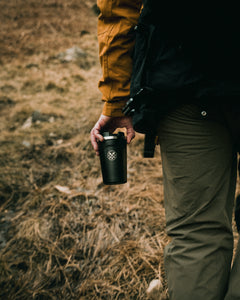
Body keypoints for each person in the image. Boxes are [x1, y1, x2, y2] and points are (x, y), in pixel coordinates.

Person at [90, 1, 240, 299]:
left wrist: (118, 98)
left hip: (181, 82)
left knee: (196, 235)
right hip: (183, 84)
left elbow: (120, 7)